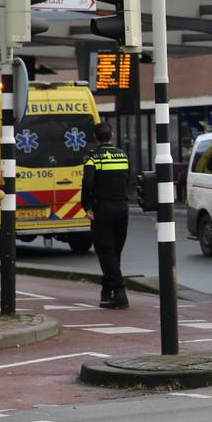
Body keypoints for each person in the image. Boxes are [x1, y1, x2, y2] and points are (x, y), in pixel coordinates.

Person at [83, 122, 131, 309]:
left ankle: (120, 293)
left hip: (103, 208)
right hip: (122, 208)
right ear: (112, 135)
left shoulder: (93, 157)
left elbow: (88, 182)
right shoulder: (123, 155)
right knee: (115, 252)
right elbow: (127, 178)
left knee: (105, 252)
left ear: (95, 137)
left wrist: (87, 206)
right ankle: (107, 291)